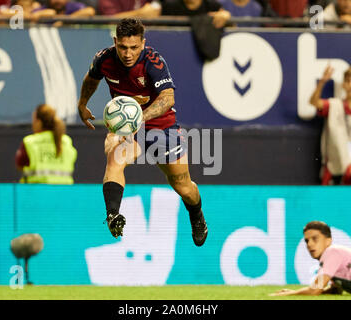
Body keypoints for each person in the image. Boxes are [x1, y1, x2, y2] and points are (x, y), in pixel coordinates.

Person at [77, 18, 208, 246]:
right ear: (115, 42)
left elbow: (168, 98)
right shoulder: (104, 59)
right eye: (123, 47)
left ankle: (196, 215)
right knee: (114, 158)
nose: (128, 53)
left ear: (143, 43)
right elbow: (91, 79)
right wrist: (82, 104)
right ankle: (113, 215)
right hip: (128, 129)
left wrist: (139, 118)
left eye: (134, 47)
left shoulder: (153, 62)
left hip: (162, 128)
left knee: (183, 186)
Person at [271, 221, 351, 296]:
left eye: (315, 239)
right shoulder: (333, 260)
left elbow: (315, 290)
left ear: (328, 240)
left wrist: (290, 294)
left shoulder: (331, 252)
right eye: (307, 241)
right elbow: (335, 290)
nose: (310, 244)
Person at [15, 104, 77, 184]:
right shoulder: (67, 141)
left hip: (37, 193)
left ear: (39, 122)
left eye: (34, 120)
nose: (32, 124)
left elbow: (20, 165)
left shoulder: (30, 142)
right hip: (64, 192)